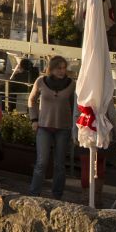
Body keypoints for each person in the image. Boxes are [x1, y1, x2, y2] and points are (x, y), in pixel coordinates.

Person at [28, 56, 76, 199]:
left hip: (63, 127)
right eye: (58, 68)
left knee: (60, 164)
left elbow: (74, 106)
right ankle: (34, 193)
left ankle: (57, 195)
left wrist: (75, 127)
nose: (62, 71)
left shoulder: (71, 84)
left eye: (63, 68)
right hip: (44, 126)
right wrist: (34, 119)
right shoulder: (40, 81)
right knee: (42, 162)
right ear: (51, 68)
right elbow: (31, 99)